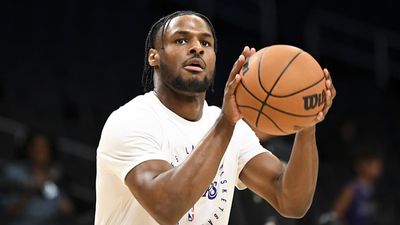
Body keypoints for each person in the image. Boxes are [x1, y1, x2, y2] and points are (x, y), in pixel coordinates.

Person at [95, 10, 336, 225]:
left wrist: (306, 124)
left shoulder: (231, 128)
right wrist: (226, 123)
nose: (197, 48)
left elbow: (290, 201)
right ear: (153, 57)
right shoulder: (131, 120)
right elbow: (167, 208)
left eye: (206, 43)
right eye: (181, 40)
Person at [0, 131, 75, 225]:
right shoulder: (14, 172)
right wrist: (31, 189)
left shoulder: (55, 176)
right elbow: (9, 212)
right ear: (29, 149)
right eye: (37, 147)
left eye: (45, 147)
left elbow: (67, 209)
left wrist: (47, 183)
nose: (41, 151)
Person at [331, 149, 383, 225]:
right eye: (372, 163)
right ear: (362, 165)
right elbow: (335, 215)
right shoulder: (352, 189)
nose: (377, 167)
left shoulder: (374, 189)